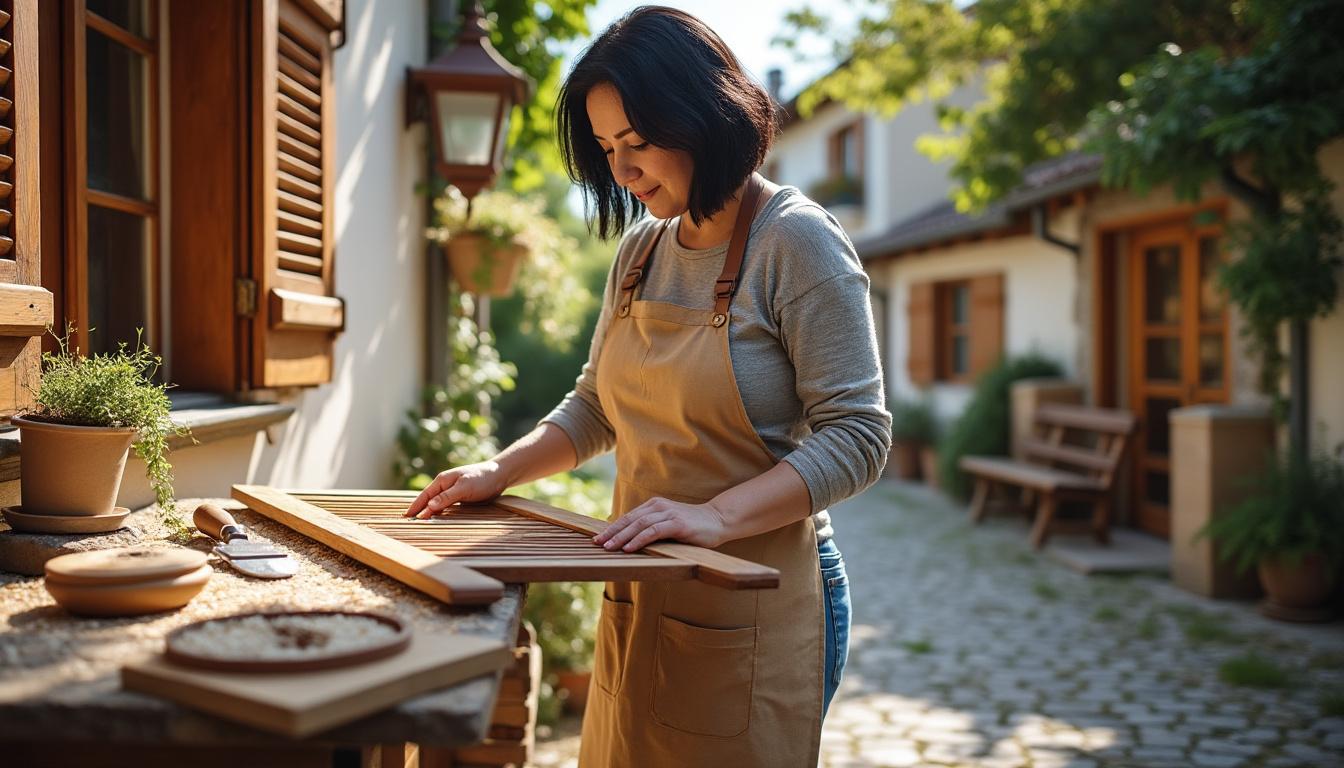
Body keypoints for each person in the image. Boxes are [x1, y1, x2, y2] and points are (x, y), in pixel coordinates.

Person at [406, 7, 890, 766]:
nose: (622, 172)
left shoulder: (795, 242)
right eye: (606, 149)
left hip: (753, 592)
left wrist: (715, 518)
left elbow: (859, 435)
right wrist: (499, 471)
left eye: (637, 143)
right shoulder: (640, 252)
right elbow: (597, 403)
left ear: (705, 115)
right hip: (644, 584)